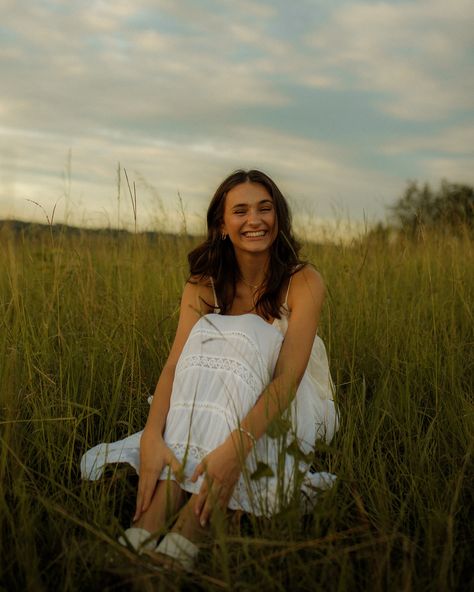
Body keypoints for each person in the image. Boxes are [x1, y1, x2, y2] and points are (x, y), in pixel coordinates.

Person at [81, 169, 338, 570]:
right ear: (222, 226)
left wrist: (235, 450)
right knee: (205, 339)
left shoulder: (303, 281)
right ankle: (153, 523)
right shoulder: (204, 284)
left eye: (265, 209)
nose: (255, 220)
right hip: (212, 399)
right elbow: (174, 367)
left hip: (289, 404)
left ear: (278, 217)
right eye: (240, 211)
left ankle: (186, 529)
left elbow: (288, 380)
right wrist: (151, 436)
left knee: (247, 332)